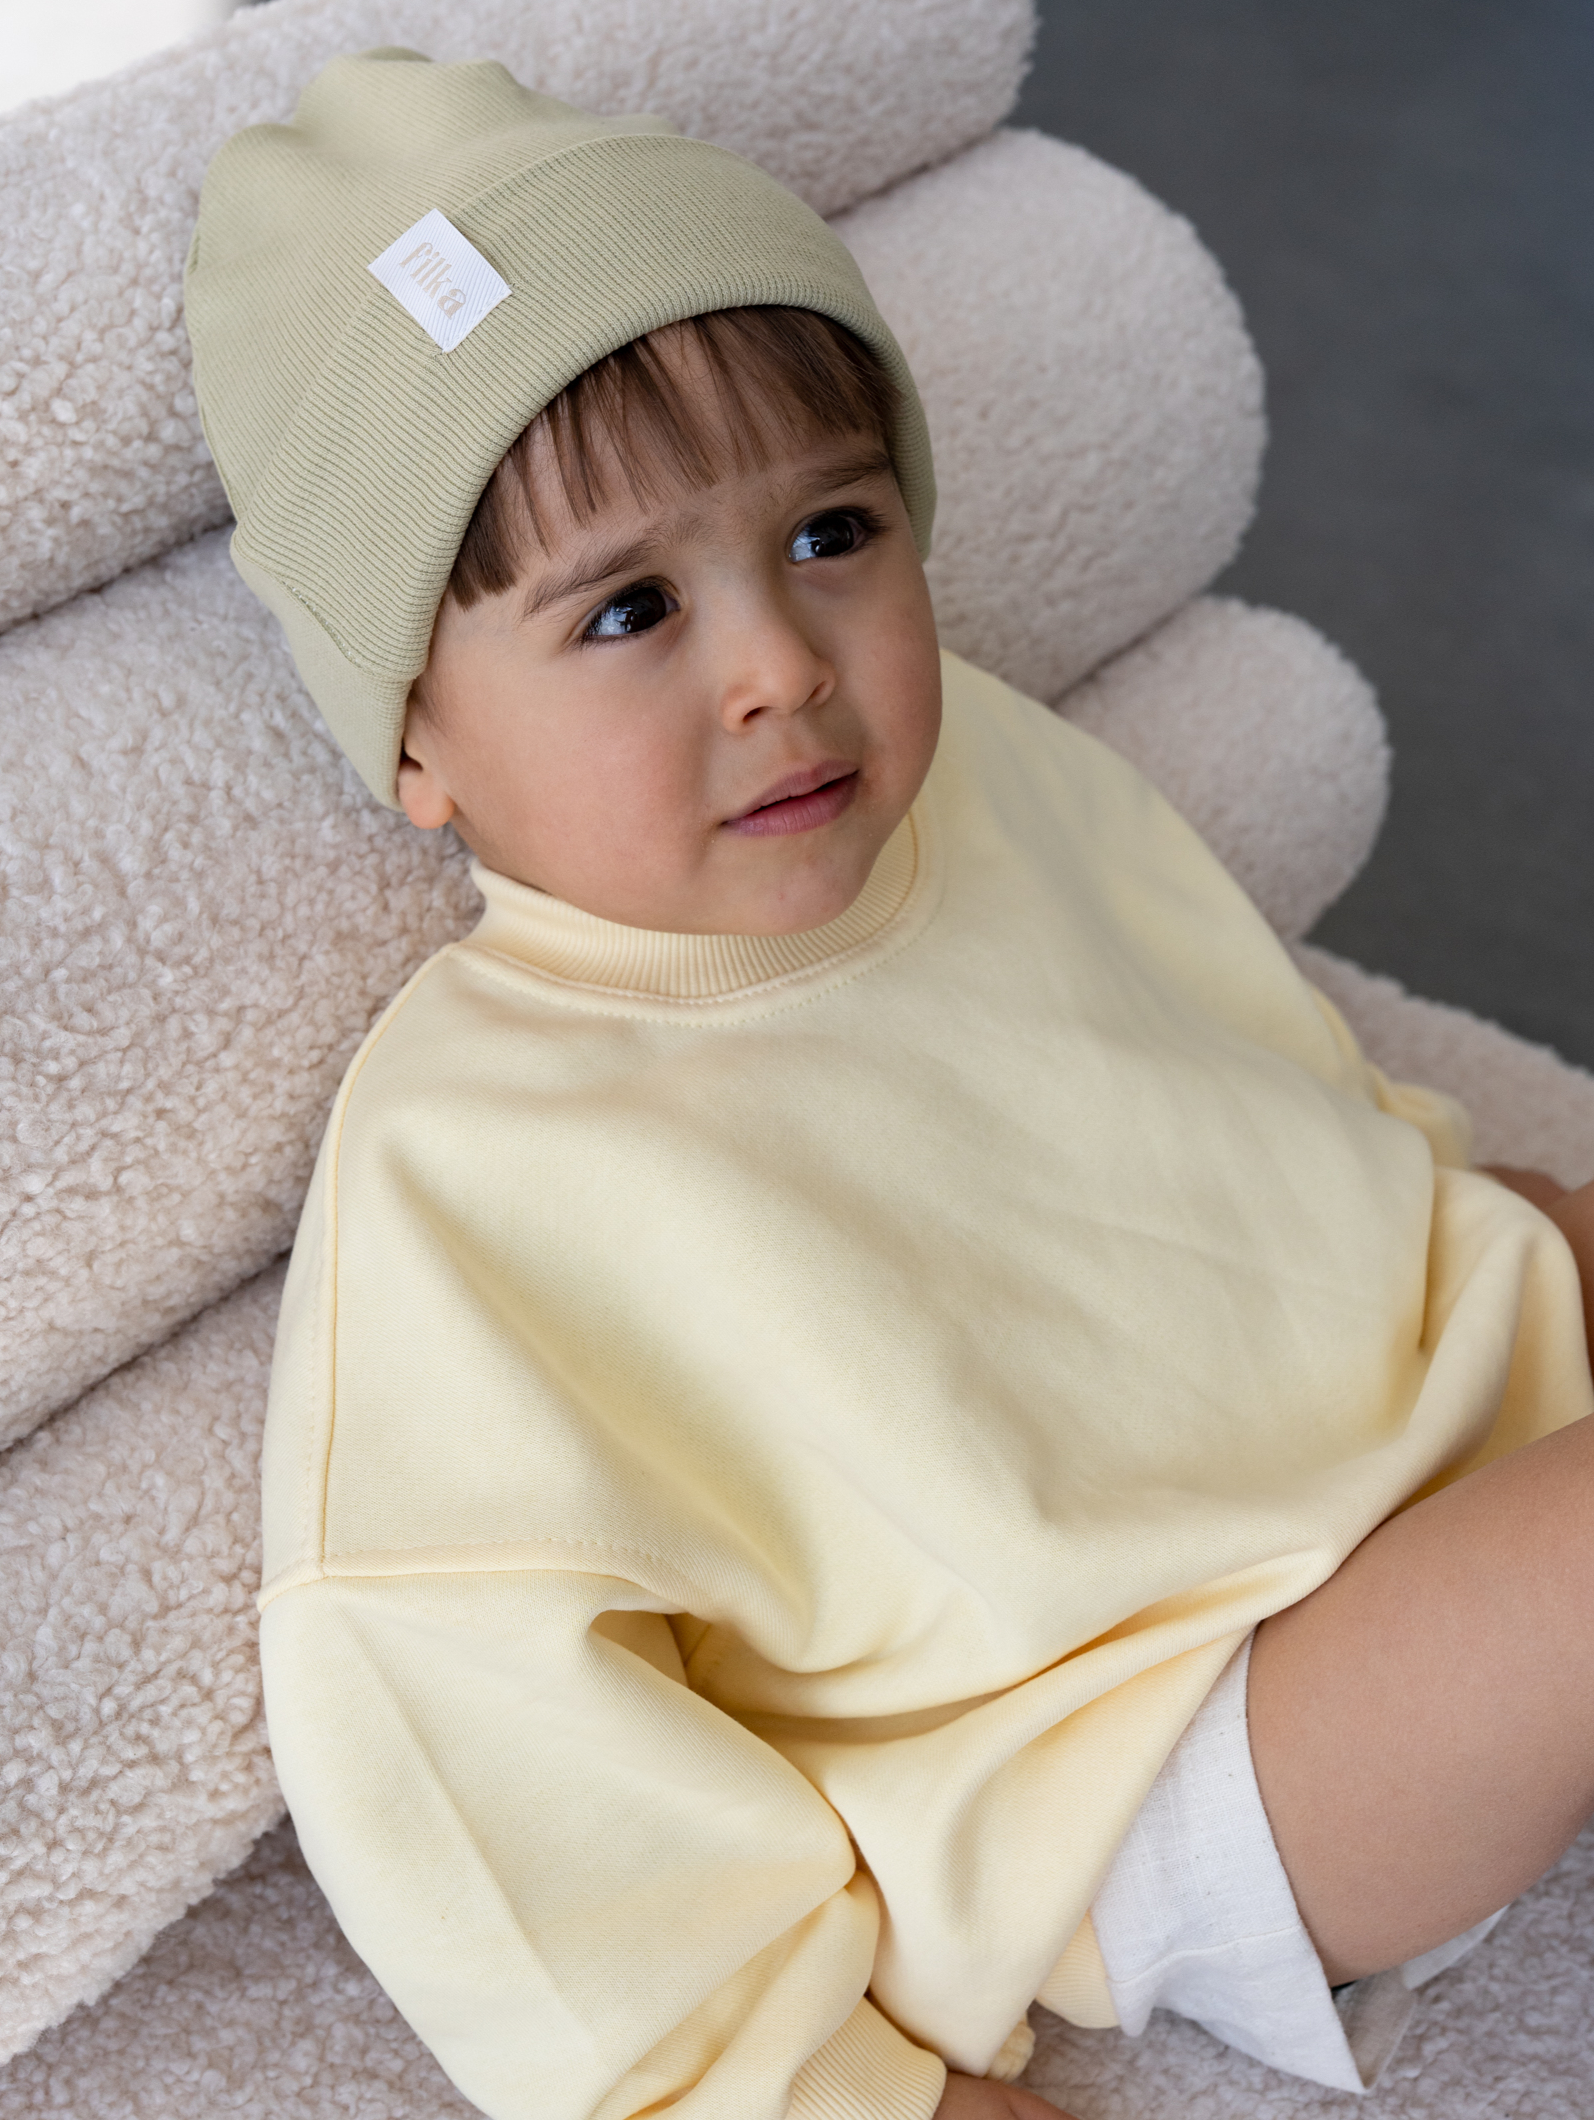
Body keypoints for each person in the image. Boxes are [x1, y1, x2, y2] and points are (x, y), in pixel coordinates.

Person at [186, 48, 1594, 2120]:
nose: (780, 666)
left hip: (1406, 1429)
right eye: (630, 609)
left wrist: (1463, 1233)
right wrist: (828, 2087)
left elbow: (1221, 1077)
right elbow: (471, 1749)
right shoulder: (467, 1168)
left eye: (831, 531)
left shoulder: (979, 779)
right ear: (418, 736)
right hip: (1169, 1741)